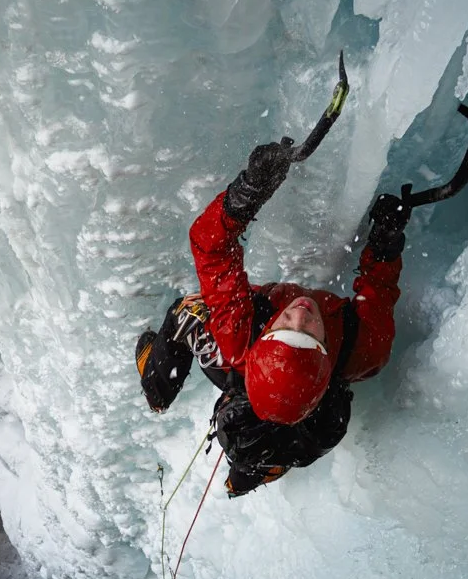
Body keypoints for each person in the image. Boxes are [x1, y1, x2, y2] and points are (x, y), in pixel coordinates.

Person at [135, 138, 409, 497]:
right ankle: (168, 398)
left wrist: (245, 194)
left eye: (285, 329)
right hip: (281, 396)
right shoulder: (366, 348)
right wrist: (385, 243)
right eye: (309, 333)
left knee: (185, 312)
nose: (300, 313)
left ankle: (159, 387)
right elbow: (379, 290)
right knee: (270, 445)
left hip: (243, 369)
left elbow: (212, 249)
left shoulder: (237, 338)